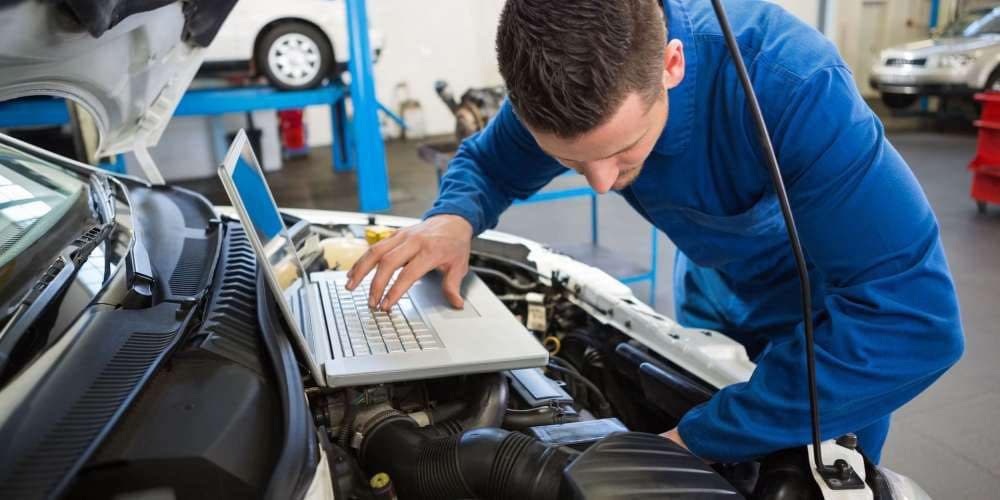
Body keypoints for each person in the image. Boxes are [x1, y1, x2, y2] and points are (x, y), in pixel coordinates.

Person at [347, 0, 964, 464]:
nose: (600, 183)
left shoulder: (792, 85)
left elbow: (911, 322)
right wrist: (453, 219)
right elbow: (489, 162)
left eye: (624, 150)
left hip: (829, 329)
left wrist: (693, 439)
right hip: (710, 293)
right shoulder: (566, 79)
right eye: (569, 162)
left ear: (672, 64)